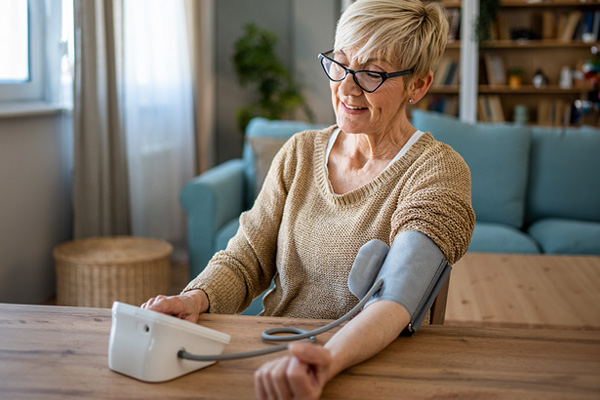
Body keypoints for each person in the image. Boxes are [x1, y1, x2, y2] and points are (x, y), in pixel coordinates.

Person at [142, 0, 475, 398]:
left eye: (372, 73)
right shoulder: (299, 152)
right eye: (341, 63)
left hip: (367, 367)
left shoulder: (438, 170)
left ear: (417, 85)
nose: (347, 88)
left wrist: (327, 361)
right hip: (276, 354)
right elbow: (248, 256)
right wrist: (196, 297)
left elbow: (398, 294)